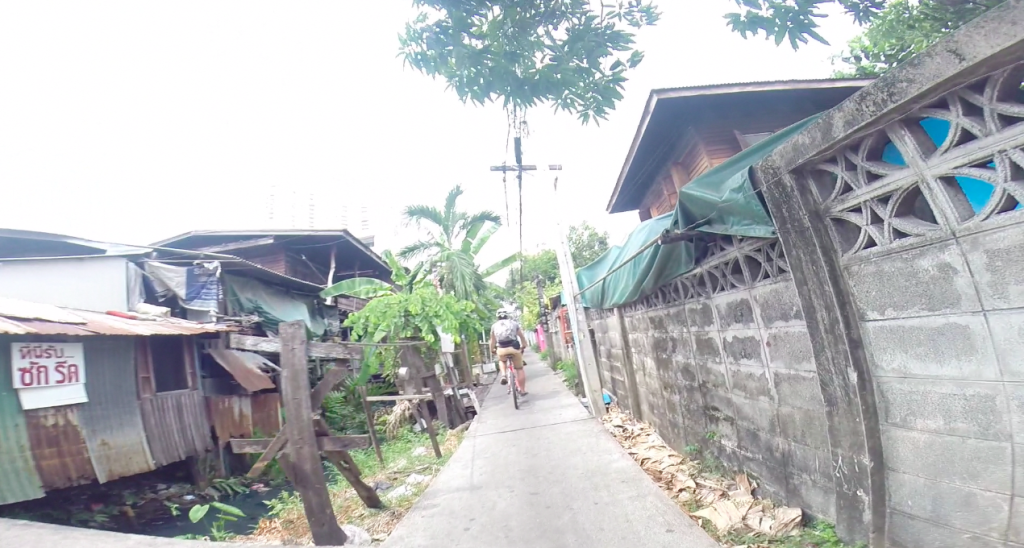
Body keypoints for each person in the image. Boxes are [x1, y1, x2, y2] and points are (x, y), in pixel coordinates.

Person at [490, 309, 528, 395]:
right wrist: (524, 345)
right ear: (507, 315)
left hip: (501, 349)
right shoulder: (514, 324)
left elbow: (492, 340)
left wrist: (492, 349)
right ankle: (522, 390)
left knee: (502, 361)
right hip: (514, 349)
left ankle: (503, 375)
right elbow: (521, 336)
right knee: (519, 369)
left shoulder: (494, 326)